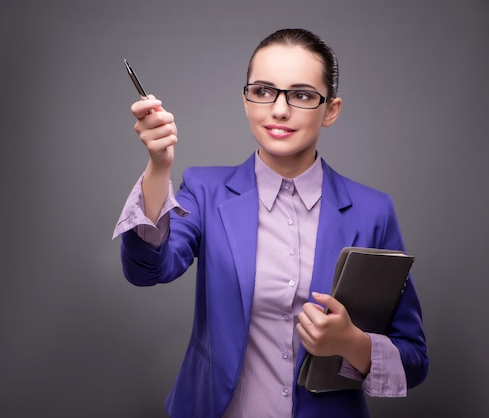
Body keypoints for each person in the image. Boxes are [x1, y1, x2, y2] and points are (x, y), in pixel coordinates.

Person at [113, 28, 428, 418]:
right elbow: (146, 269)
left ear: (331, 109)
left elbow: (414, 359)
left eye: (301, 95)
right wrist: (158, 168)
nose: (279, 110)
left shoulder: (373, 212)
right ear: (246, 101)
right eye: (263, 91)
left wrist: (353, 343)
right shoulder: (204, 189)